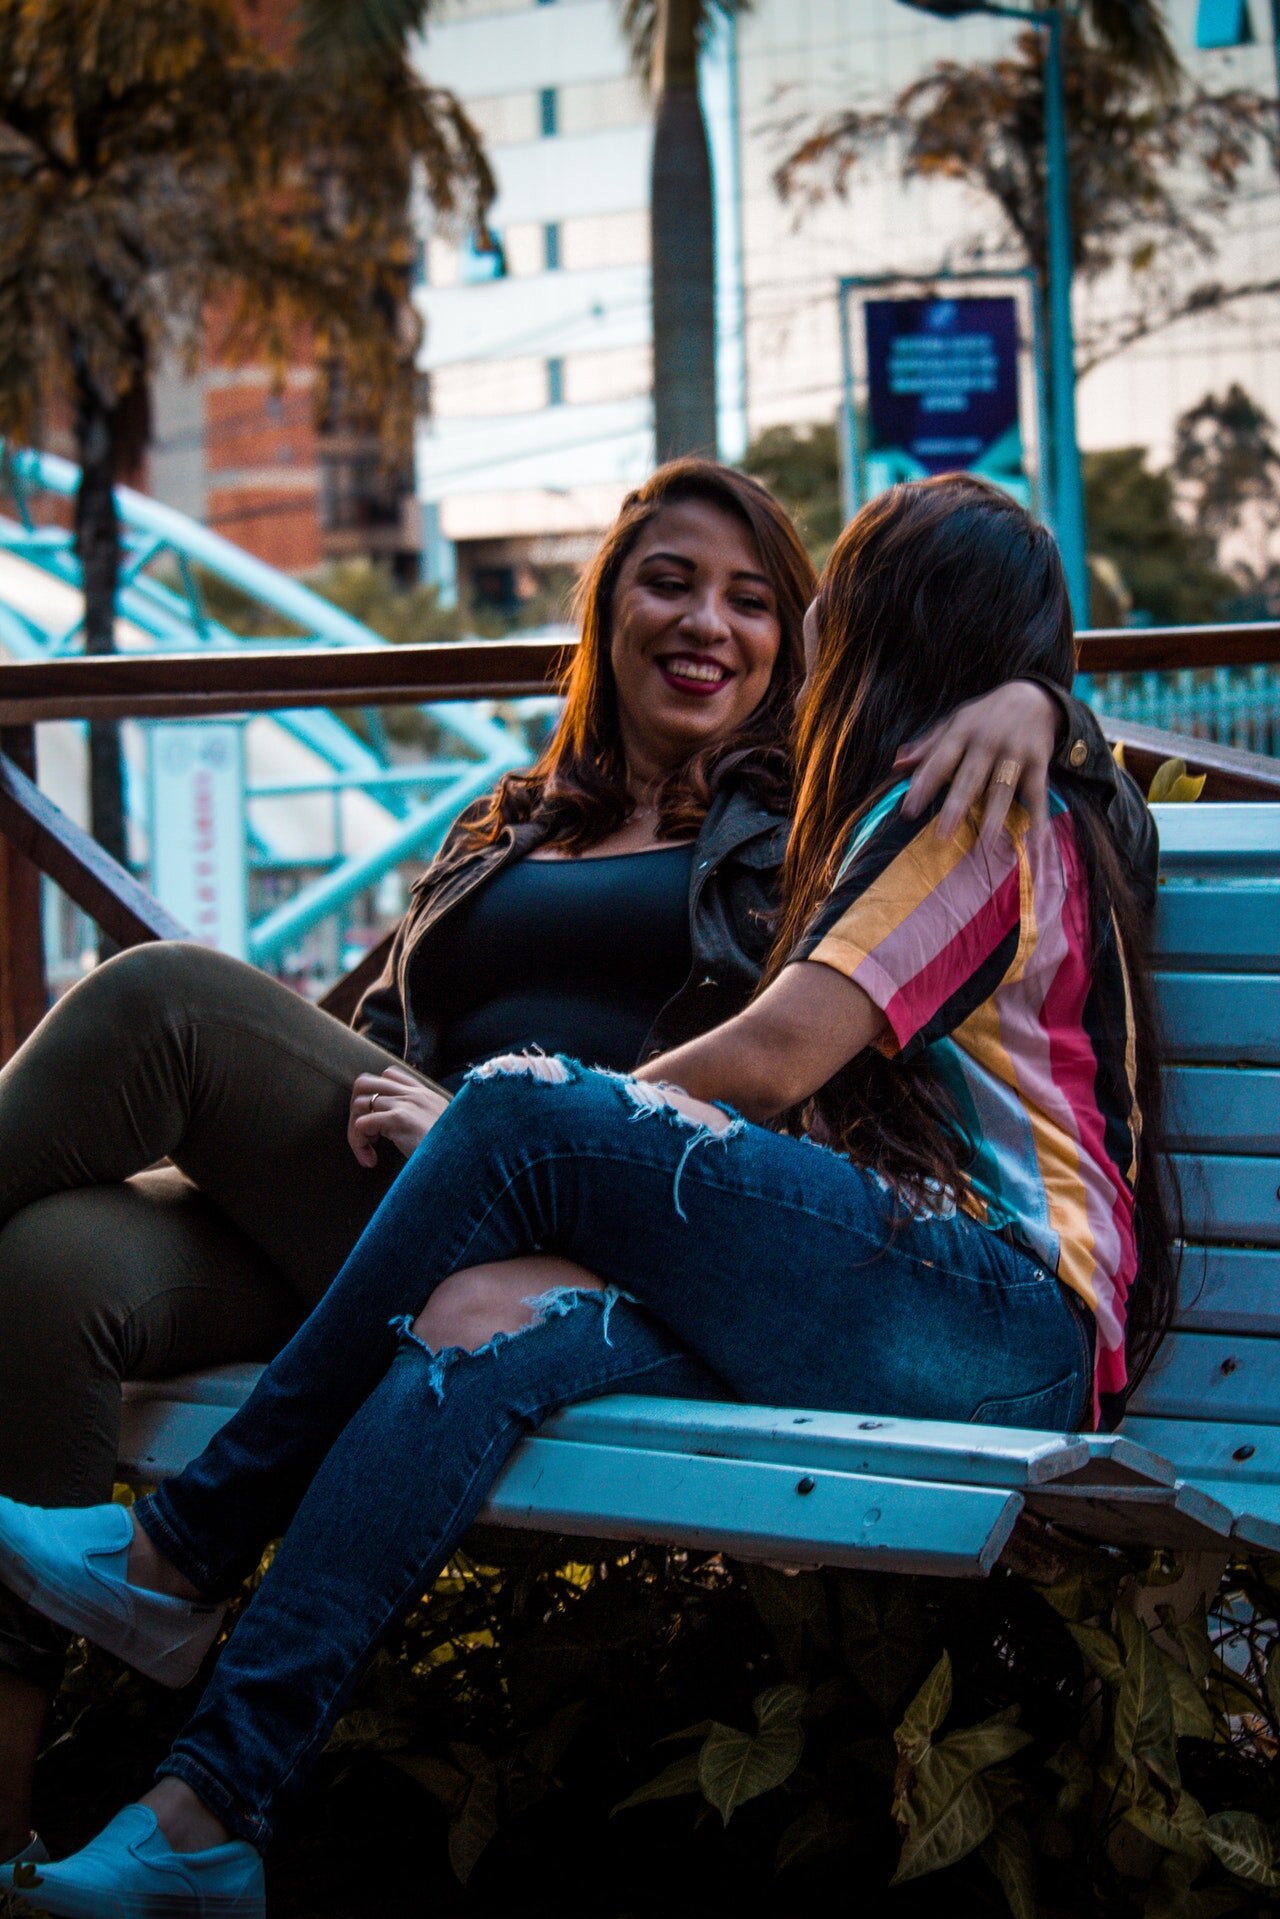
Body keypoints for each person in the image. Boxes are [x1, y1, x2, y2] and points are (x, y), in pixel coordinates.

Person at [0, 464, 1135, 1888]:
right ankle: (205, 1822)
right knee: (444, 1317)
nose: (765, 632)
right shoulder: (544, 819)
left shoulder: (949, 798)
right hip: (804, 1272)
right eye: (669, 582)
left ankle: (182, 1553)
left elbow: (782, 1059)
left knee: (354, 1057)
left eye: (800, 606)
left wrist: (1047, 702)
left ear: (875, 637)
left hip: (985, 1307)